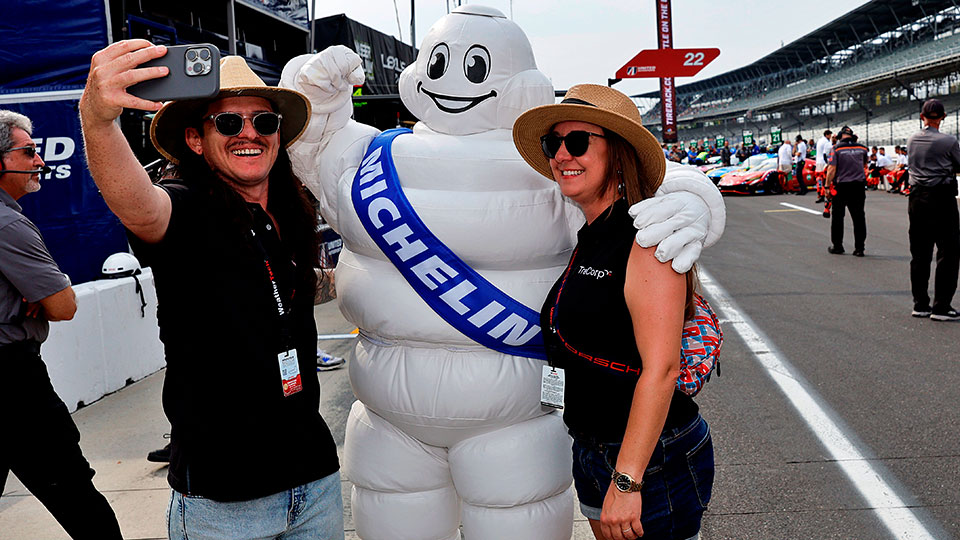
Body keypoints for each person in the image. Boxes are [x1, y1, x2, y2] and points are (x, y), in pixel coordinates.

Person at [79, 40, 344, 538]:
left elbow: (290, 290)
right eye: (228, 122)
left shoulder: (286, 212)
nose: (249, 133)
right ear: (196, 141)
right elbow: (139, 205)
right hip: (224, 505)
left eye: (264, 122)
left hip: (315, 483)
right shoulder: (187, 206)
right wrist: (98, 120)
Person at [513, 84, 714, 540]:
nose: (563, 154)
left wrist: (627, 480)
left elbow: (662, 369)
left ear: (617, 152)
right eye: (553, 143)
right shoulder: (589, 231)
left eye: (578, 141)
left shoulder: (645, 240)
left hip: (649, 457)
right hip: (593, 448)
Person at [0, 110, 124, 540]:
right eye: (28, 151)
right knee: (74, 493)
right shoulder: (9, 224)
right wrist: (45, 293)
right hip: (13, 385)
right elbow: (63, 305)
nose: (39, 161)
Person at [906, 98, 960, 321]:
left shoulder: (911, 139)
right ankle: (941, 306)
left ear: (922, 116)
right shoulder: (948, 141)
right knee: (948, 251)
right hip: (941, 197)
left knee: (920, 253)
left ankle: (920, 304)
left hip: (917, 197)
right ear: (943, 117)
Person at [825, 126, 869, 257]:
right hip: (858, 186)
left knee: (838, 217)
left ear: (840, 137)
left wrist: (827, 186)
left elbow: (831, 169)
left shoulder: (836, 149)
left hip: (841, 186)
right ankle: (860, 248)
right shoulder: (862, 148)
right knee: (859, 217)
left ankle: (838, 246)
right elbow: (864, 164)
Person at [815, 129, 833, 202]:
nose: (830, 137)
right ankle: (824, 194)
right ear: (827, 135)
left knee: (819, 179)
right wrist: (828, 163)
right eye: (830, 135)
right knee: (825, 179)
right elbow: (825, 154)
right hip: (823, 162)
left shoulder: (820, 140)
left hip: (818, 162)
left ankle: (820, 194)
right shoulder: (827, 142)